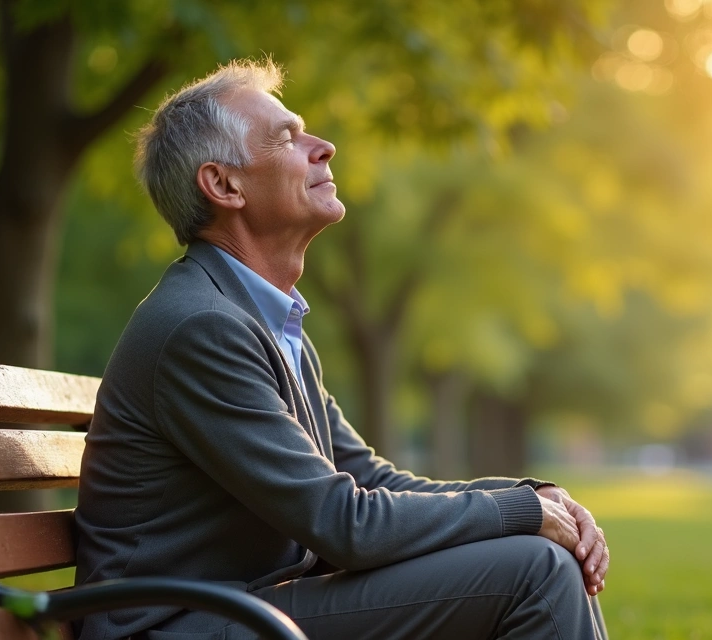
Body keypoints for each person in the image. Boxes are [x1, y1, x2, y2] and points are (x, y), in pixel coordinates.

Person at [74, 58, 609, 640]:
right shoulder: (201, 328)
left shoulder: (265, 321)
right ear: (224, 185)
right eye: (287, 137)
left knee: (541, 560)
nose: (323, 146)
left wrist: (531, 498)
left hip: (243, 610)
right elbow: (344, 523)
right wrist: (523, 517)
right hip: (174, 627)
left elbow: (372, 483)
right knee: (534, 570)